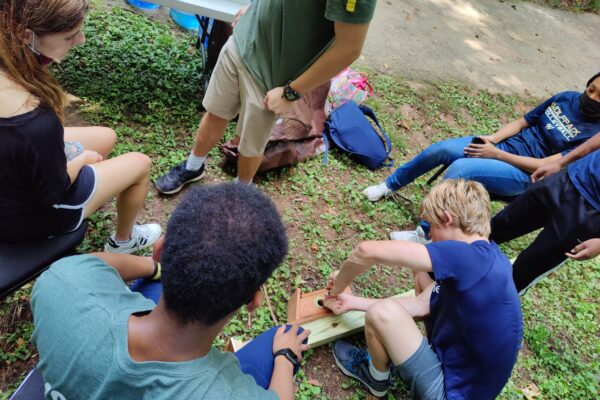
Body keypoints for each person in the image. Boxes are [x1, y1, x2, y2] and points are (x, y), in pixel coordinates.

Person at [31, 183, 310, 399]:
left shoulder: (61, 283)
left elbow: (92, 264)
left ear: (159, 250)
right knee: (285, 337)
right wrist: (284, 358)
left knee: (152, 284)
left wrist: (153, 268)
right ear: (253, 300)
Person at [325, 179, 523, 399]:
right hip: (463, 379)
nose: (430, 237)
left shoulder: (469, 259)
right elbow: (423, 305)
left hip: (450, 394)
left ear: (447, 219)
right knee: (421, 273)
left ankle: (375, 378)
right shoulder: (490, 258)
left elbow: (365, 251)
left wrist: (337, 288)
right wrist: (352, 303)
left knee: (381, 312)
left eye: (432, 227)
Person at [155, 0, 377, 194]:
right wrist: (255, 7)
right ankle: (194, 166)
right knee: (216, 113)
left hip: (271, 75)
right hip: (242, 42)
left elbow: (349, 48)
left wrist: (291, 91)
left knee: (251, 144)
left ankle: (241, 193)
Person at [0, 0, 160, 252]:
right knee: (140, 163)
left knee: (106, 136)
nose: (81, 40)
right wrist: (81, 159)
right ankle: (123, 240)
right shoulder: (38, 122)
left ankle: (91, 194)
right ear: (25, 34)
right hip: (24, 219)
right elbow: (53, 192)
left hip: (11, 175)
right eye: (70, 36)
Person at [364, 72, 600, 202]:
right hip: (502, 147)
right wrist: (493, 139)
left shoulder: (594, 136)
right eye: (591, 89)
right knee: (443, 149)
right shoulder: (566, 97)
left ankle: (424, 233)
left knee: (461, 169)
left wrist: (497, 154)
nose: (592, 97)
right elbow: (523, 122)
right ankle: (389, 185)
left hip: (524, 173)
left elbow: (547, 165)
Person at [491, 132, 600, 295]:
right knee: (495, 228)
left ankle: (484, 310)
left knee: (524, 270)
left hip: (590, 217)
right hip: (569, 178)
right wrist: (561, 162)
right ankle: (446, 277)